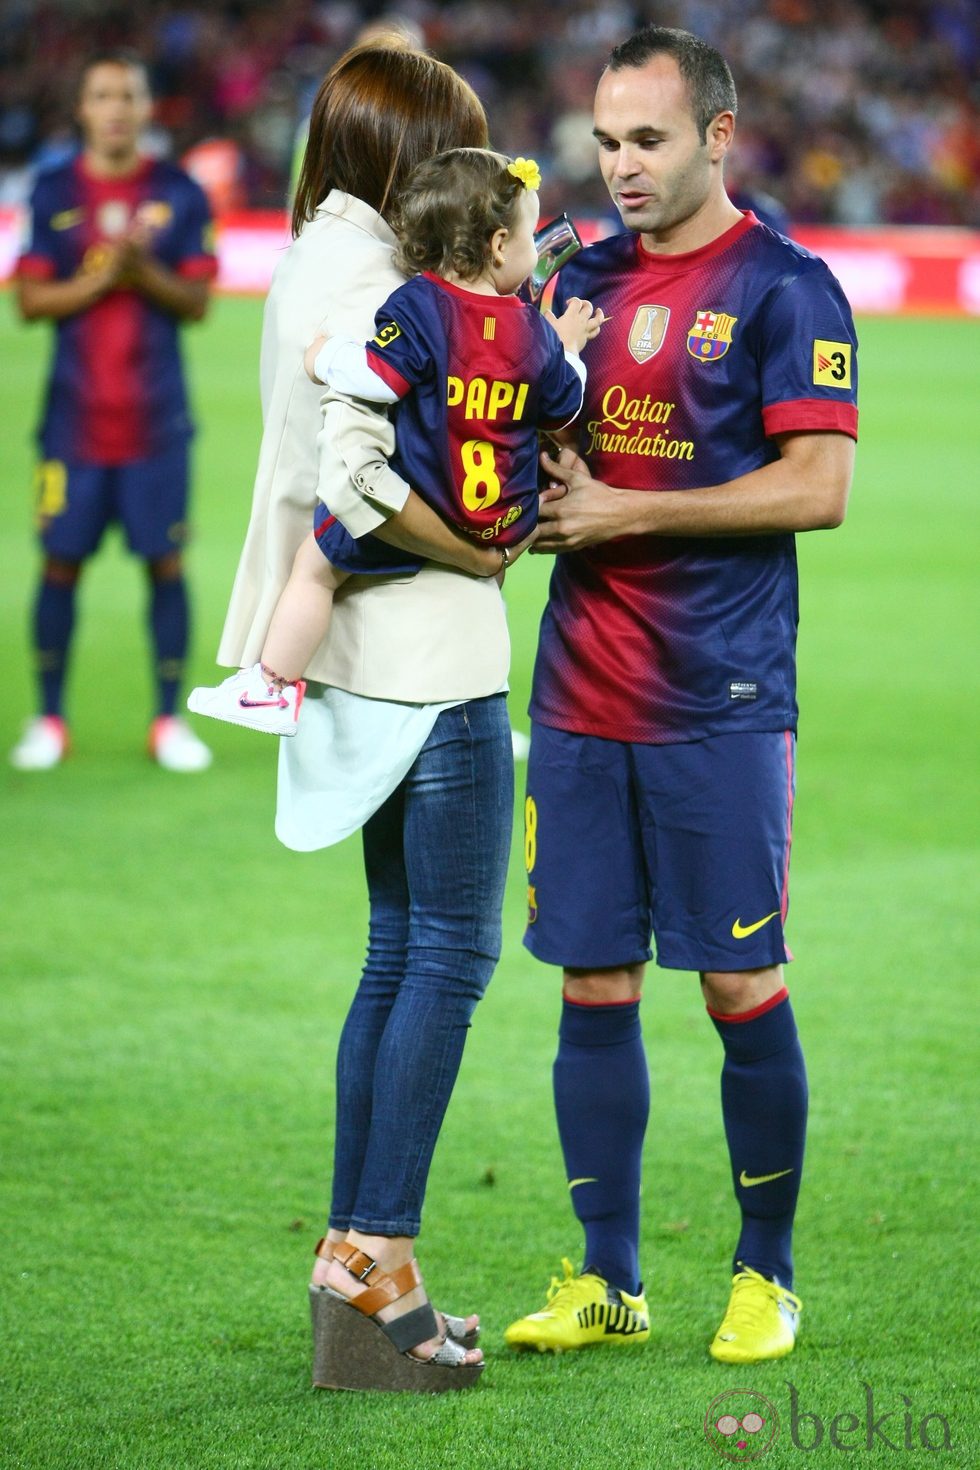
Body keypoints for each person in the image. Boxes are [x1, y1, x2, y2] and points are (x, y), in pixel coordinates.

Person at [504, 25, 858, 1365]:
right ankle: (608, 1279)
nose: (622, 166)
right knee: (592, 984)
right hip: (581, 693)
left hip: (719, 698)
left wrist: (623, 512)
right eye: (605, 141)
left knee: (736, 984)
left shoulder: (786, 287)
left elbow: (817, 489)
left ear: (718, 133)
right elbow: (528, 452)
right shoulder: (572, 278)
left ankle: (765, 1273)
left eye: (648, 139)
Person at [213, 37, 524, 1392]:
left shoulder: (315, 258)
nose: (463, 166)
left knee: (400, 953)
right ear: (399, 149)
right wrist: (470, 548)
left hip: (362, 656)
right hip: (422, 661)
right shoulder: (374, 284)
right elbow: (365, 469)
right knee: (448, 956)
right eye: (448, 140)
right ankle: (380, 1258)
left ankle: (354, 1260)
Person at [187, 148, 600, 735]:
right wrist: (571, 350)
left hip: (432, 507)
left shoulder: (421, 304)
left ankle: (273, 685)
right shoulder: (532, 331)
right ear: (501, 247)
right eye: (533, 237)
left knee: (316, 564)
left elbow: (380, 377)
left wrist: (322, 355)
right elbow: (565, 403)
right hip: (504, 520)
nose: (537, 253)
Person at [10, 51, 216, 773]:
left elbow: (195, 301)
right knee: (59, 566)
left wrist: (140, 270)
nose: (117, 107)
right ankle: (49, 717)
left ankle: (167, 722)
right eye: (102, 95)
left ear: (147, 106)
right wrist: (105, 276)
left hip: (157, 424)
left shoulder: (180, 191)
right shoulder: (52, 188)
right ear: (82, 109)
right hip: (72, 426)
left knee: (166, 564)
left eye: (128, 94)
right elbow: (30, 301)